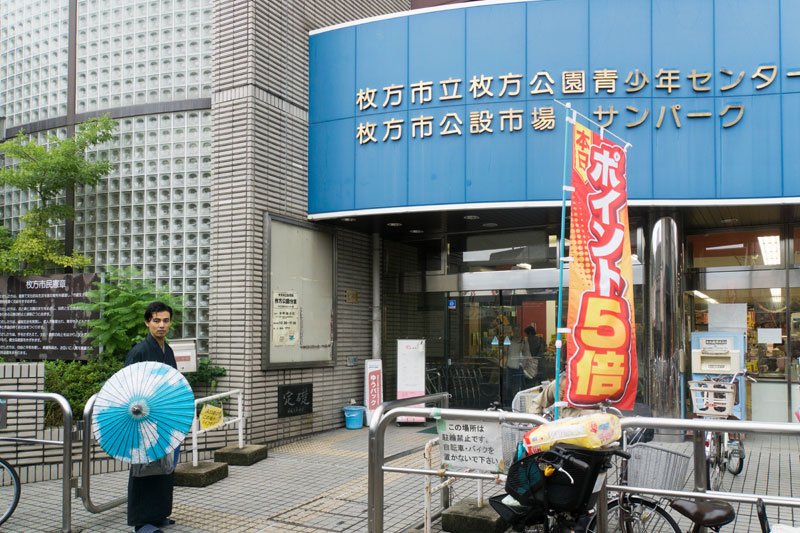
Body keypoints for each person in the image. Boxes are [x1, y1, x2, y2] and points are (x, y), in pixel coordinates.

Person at [124, 301, 178, 533]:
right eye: (156, 320)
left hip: (164, 420)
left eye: (165, 320)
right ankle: (140, 522)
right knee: (143, 469)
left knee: (164, 469)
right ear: (147, 322)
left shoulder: (169, 351)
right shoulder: (139, 352)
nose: (161, 325)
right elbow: (128, 388)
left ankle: (158, 514)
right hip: (144, 420)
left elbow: (174, 383)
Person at [503, 324, 533, 406]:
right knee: (508, 386)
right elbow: (505, 352)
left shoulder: (524, 341)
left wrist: (526, 361)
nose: (517, 333)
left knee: (518, 386)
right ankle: (509, 402)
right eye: (515, 331)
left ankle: (517, 403)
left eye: (518, 331)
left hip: (519, 367)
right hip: (509, 365)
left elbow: (527, 353)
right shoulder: (508, 340)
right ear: (513, 331)